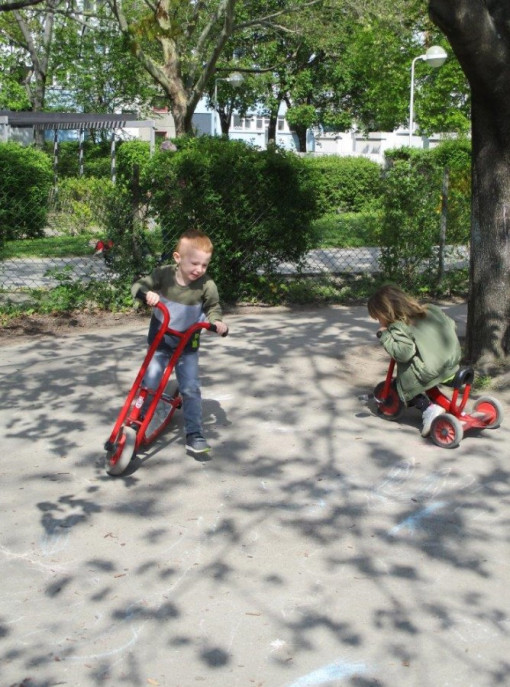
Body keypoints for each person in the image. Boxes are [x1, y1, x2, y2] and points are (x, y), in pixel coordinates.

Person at [131, 229, 228, 455]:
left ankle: (194, 433)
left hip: (187, 347)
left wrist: (217, 322)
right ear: (178, 258)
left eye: (204, 265)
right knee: (150, 382)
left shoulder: (207, 285)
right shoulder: (163, 275)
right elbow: (138, 285)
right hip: (161, 343)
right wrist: (147, 295)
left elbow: (213, 308)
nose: (199, 270)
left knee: (191, 389)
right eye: (195, 263)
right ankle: (141, 418)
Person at [367, 284, 462, 437]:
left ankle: (428, 408)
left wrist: (384, 336)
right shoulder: (431, 309)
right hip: (452, 362)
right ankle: (439, 403)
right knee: (422, 360)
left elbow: (404, 353)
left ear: (386, 313)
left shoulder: (399, 327)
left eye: (378, 318)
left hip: (432, 372)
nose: (379, 322)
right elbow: (451, 325)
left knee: (404, 383)